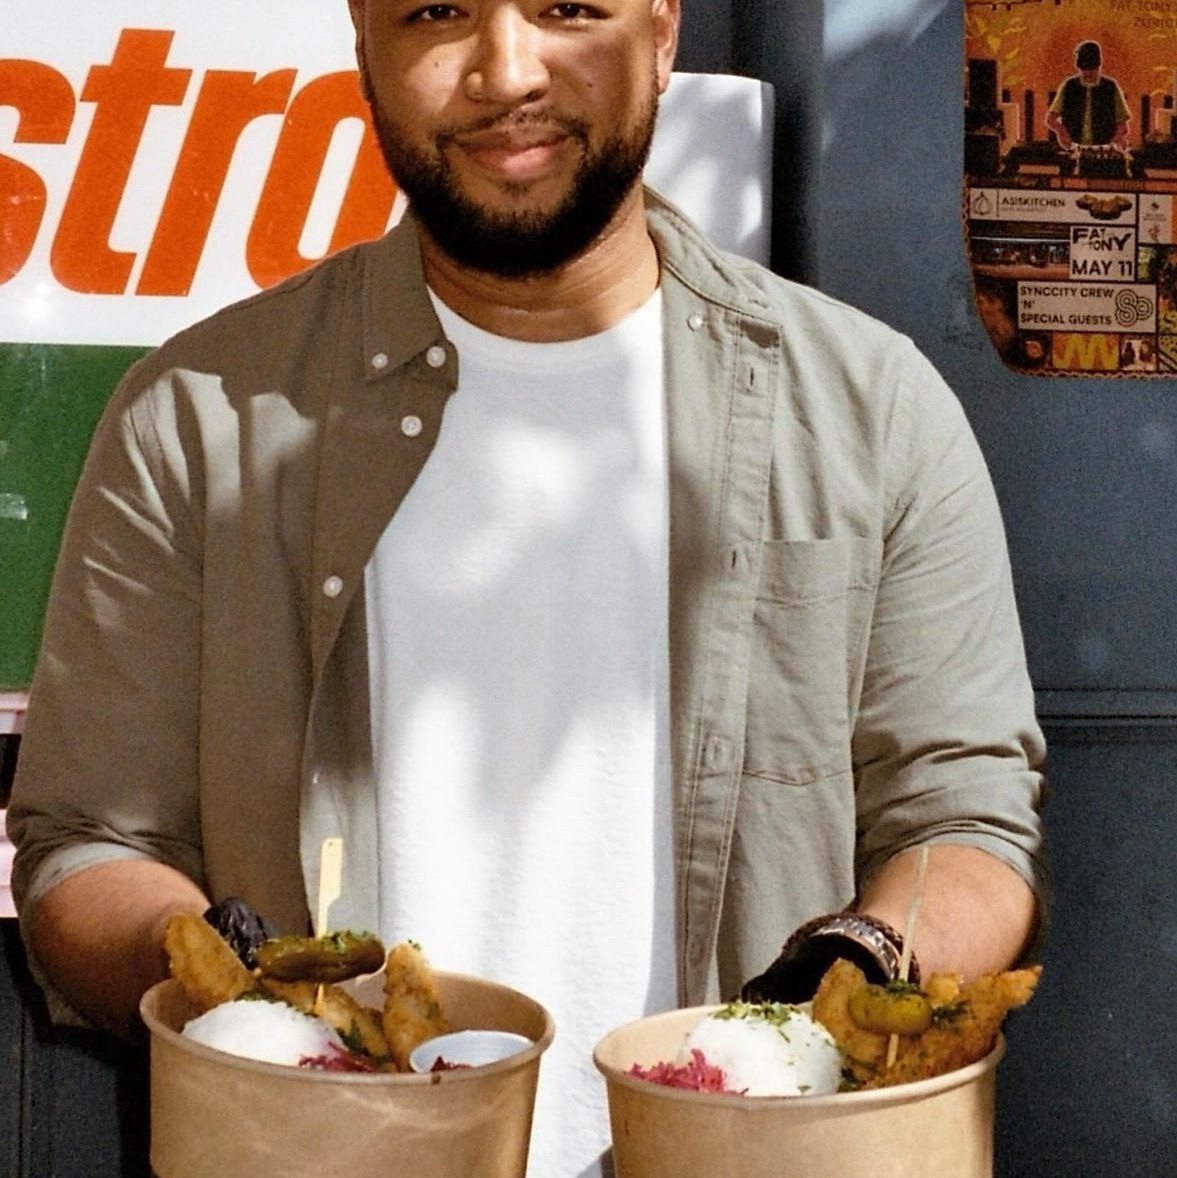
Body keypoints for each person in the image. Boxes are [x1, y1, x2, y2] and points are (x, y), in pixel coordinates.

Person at [7, 2, 1046, 1175]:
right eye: (439, 13)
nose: (507, 72)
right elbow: (83, 845)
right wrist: (223, 978)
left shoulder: (872, 413)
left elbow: (961, 817)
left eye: (566, 10)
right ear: (365, 45)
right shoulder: (193, 421)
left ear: (661, 32)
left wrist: (869, 963)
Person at [1046, 39, 1131, 150]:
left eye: (1091, 70)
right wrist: (1060, 131)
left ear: (1098, 66)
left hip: (1103, 148)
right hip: (1073, 148)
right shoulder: (1069, 86)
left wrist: (1116, 140)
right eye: (1084, 70)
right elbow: (1051, 118)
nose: (1087, 74)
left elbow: (1122, 125)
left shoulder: (1110, 87)